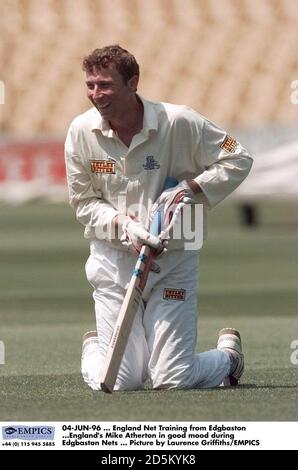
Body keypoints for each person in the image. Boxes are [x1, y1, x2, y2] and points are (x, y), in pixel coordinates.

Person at [65, 45, 253, 391]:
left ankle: (229, 358)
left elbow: (238, 157)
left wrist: (191, 188)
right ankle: (95, 349)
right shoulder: (80, 131)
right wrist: (126, 227)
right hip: (115, 261)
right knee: (122, 382)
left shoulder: (180, 121)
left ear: (133, 82)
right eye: (90, 85)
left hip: (175, 258)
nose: (95, 94)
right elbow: (84, 203)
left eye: (105, 85)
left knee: (171, 379)